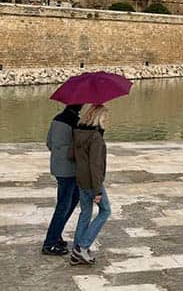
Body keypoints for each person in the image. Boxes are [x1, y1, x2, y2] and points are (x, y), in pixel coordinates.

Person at [68, 104, 111, 266]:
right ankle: (83, 246)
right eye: (106, 118)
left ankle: (75, 253)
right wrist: (98, 190)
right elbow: (96, 166)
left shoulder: (77, 132)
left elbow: (70, 155)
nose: (107, 121)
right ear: (99, 118)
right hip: (92, 182)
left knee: (85, 213)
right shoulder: (96, 138)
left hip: (81, 179)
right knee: (105, 211)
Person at [42, 104, 82, 256]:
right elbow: (77, 148)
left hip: (58, 167)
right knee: (64, 205)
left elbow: (49, 143)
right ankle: (50, 243)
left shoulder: (57, 119)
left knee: (70, 200)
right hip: (70, 171)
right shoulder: (74, 122)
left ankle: (56, 233)